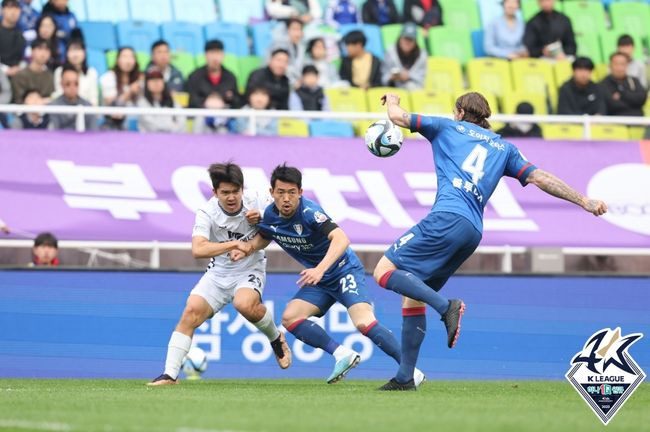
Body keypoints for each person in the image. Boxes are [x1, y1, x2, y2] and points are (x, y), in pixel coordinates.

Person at [374, 91, 607, 390]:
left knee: (383, 271)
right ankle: (405, 377)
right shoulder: (504, 148)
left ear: (459, 111)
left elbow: (397, 117)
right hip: (472, 231)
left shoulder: (445, 127)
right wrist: (583, 200)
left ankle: (447, 307)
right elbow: (540, 178)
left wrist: (392, 99)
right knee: (413, 294)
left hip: (446, 217)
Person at [233, 164, 425, 386]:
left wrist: (320, 269)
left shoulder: (310, 212)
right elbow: (267, 235)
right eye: (281, 192)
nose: (286, 198)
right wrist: (247, 248)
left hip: (343, 269)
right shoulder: (270, 214)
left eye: (292, 192)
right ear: (271, 193)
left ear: (301, 193)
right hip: (320, 278)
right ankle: (342, 353)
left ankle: (411, 371)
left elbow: (341, 238)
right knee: (290, 317)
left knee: (363, 322)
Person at [148, 163, 291, 386]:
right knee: (190, 312)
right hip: (219, 272)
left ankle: (276, 338)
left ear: (242, 189)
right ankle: (169, 375)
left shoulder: (259, 200)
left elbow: (285, 216)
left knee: (244, 304)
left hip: (250, 268)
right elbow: (198, 249)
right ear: (215, 193)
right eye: (225, 193)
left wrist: (263, 218)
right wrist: (233, 244)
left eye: (235, 191)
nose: (231, 197)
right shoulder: (207, 213)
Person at [185, 39, 240, 109]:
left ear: (223, 55)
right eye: (212, 53)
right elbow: (191, 99)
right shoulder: (194, 76)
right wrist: (206, 103)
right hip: (201, 115)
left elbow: (237, 101)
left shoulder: (230, 77)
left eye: (218, 53)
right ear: (205, 55)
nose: (215, 58)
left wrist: (228, 99)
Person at [99, 46, 141, 130]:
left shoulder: (139, 79)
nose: (128, 61)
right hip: (114, 124)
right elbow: (111, 105)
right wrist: (130, 92)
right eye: (124, 57)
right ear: (117, 60)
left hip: (138, 123)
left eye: (131, 57)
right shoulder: (108, 77)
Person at [137, 67, 186, 133]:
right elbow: (150, 125)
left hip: (173, 138)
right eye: (152, 80)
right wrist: (169, 127)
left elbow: (181, 121)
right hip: (149, 139)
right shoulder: (142, 102)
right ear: (146, 84)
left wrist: (172, 131)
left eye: (159, 79)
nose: (156, 83)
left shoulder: (173, 101)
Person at [48, 64, 97, 131]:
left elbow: (93, 132)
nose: (72, 87)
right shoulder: (54, 106)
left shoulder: (88, 106)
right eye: (68, 84)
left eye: (76, 83)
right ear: (61, 84)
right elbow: (54, 133)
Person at [600, 52, 647, 117]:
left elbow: (642, 99)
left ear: (627, 65)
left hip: (639, 122)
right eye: (616, 64)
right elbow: (612, 105)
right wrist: (633, 103)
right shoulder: (603, 84)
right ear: (610, 66)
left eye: (622, 64)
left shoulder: (634, 81)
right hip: (615, 123)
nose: (619, 68)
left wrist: (622, 95)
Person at [382, 22, 427, 90]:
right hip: (393, 91)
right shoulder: (390, 52)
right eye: (405, 38)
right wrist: (392, 77)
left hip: (414, 91)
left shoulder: (421, 55)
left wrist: (409, 75)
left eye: (410, 40)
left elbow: (422, 79)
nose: (407, 42)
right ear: (400, 38)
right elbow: (383, 77)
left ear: (415, 41)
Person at [53, 40, 99, 106]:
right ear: (66, 53)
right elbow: (59, 94)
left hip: (86, 110)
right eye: (72, 50)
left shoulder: (92, 72)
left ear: (84, 52)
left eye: (78, 50)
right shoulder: (59, 71)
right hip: (63, 110)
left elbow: (93, 98)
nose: (75, 54)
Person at [11, 39, 54, 104]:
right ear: (32, 51)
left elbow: (52, 98)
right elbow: (18, 100)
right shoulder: (20, 75)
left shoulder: (50, 76)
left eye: (47, 50)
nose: (43, 53)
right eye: (40, 49)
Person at [0, 0, 27, 77]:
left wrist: (19, 67)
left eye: (17, 8)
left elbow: (25, 57)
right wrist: (5, 70)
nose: (14, 12)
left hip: (18, 74)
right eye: (10, 7)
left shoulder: (22, 34)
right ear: (2, 10)